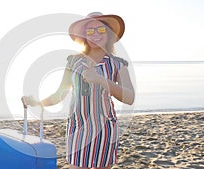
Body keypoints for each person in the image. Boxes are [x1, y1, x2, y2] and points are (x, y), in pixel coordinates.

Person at [22, 12, 135, 169]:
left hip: (105, 130)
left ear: (108, 33)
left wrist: (101, 80)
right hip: (78, 128)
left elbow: (129, 98)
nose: (95, 34)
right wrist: (38, 102)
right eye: (89, 31)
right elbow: (59, 94)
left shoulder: (118, 64)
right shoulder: (73, 61)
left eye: (100, 29)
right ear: (84, 36)